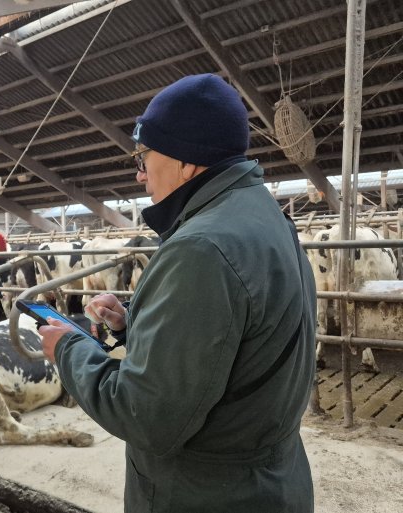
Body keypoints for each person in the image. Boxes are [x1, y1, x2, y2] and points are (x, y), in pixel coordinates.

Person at [38, 74, 316, 512]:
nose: (139, 172)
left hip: (206, 493)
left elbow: (145, 416)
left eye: (144, 156)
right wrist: (138, 323)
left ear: (186, 162)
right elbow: (239, 338)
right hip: (271, 481)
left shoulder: (201, 247)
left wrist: (69, 348)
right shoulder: (262, 213)